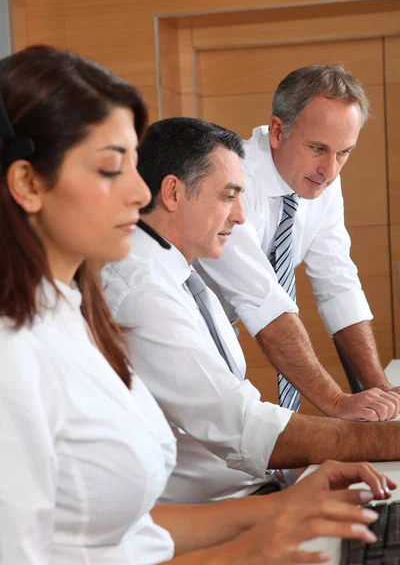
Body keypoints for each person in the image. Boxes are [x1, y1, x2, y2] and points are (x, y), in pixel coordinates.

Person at [0, 45, 386, 565]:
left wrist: (284, 510)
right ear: (27, 183)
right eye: (113, 168)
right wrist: (247, 549)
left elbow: (120, 529)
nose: (141, 194)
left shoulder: (75, 307)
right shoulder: (29, 346)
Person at [102, 117, 400, 507]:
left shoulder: (183, 276)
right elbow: (241, 426)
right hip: (215, 513)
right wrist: (387, 439)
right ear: (173, 192)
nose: (241, 217)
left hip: (252, 490)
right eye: (228, 197)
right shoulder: (144, 294)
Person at [194, 64, 400, 422]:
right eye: (318, 148)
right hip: (178, 334)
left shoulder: (322, 181)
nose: (330, 170)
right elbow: (263, 300)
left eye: (344, 153)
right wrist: (336, 402)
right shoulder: (232, 179)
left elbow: (337, 281)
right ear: (277, 131)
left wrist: (381, 393)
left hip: (221, 336)